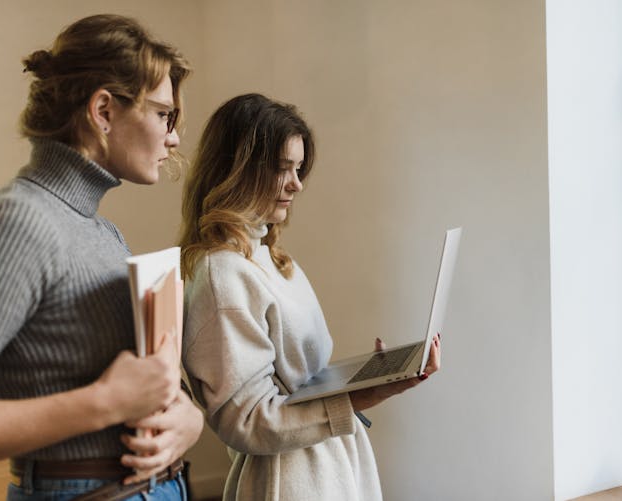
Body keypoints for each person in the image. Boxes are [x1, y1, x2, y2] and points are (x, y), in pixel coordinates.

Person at [0, 14, 203, 501]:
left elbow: (142, 378)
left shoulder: (102, 231)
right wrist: (103, 403)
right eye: (164, 115)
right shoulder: (15, 226)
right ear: (104, 111)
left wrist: (188, 418)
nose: (173, 139)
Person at [178, 93, 441, 501]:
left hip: (328, 464)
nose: (296, 184)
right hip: (291, 482)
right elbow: (245, 421)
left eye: (298, 169)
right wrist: (359, 397)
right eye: (283, 169)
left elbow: (299, 380)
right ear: (238, 171)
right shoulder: (223, 274)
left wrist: (371, 376)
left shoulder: (272, 259)